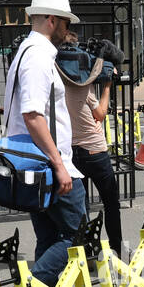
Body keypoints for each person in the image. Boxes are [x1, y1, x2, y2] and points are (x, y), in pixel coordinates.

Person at [1, 0, 85, 287]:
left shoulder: (26, 51)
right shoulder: (37, 56)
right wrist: (60, 164)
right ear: (52, 20)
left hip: (34, 164)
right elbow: (32, 115)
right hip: (48, 165)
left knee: (49, 237)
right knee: (78, 237)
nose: (68, 30)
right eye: (65, 22)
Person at [57, 32, 122, 254]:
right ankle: (116, 248)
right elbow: (100, 114)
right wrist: (106, 86)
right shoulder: (84, 85)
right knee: (111, 202)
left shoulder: (55, 83)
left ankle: (85, 251)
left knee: (82, 206)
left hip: (71, 153)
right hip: (95, 151)